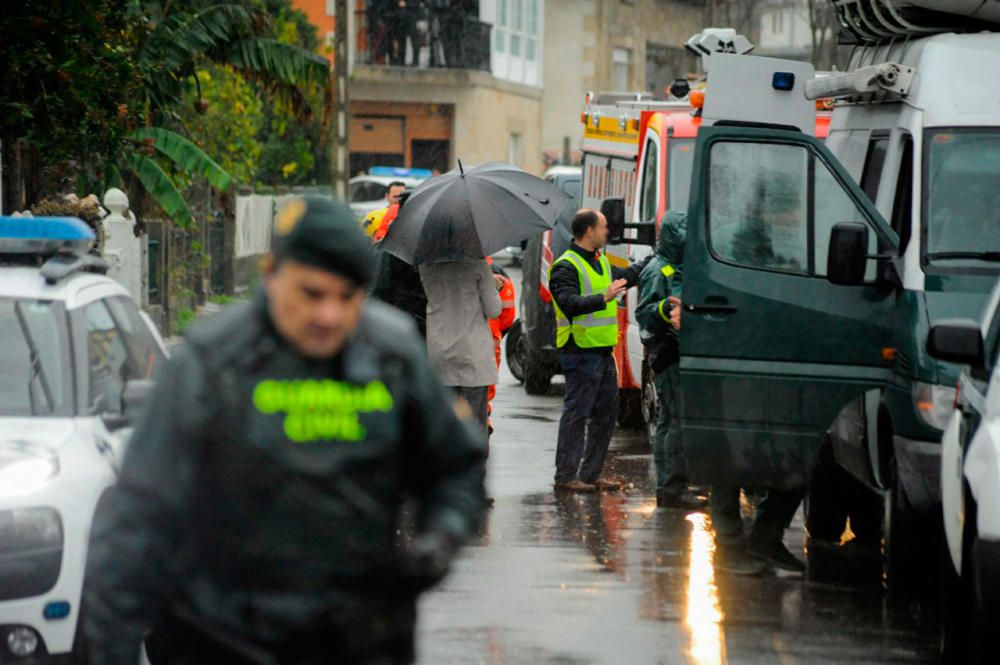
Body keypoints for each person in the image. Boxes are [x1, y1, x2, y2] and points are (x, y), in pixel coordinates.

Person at [85, 196, 488, 665]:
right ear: (272, 275)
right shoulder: (213, 362)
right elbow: (139, 516)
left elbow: (457, 467)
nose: (330, 316)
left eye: (347, 297)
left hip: (359, 637)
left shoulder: (392, 355)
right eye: (312, 294)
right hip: (229, 637)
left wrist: (439, 538)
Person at [549, 208, 649, 493]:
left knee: (606, 415)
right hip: (579, 351)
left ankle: (591, 474)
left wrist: (653, 261)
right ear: (589, 231)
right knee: (577, 414)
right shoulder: (565, 266)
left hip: (603, 352)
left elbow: (624, 277)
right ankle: (565, 476)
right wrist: (601, 298)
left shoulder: (600, 261)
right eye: (604, 227)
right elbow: (568, 302)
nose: (608, 232)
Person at [635, 210, 706, 510]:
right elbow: (644, 313)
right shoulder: (658, 269)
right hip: (668, 352)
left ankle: (672, 486)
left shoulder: (681, 266)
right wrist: (665, 310)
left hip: (681, 351)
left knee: (670, 420)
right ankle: (672, 489)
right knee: (674, 420)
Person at [419, 257, 502, 442]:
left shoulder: (426, 265)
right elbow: (494, 309)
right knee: (474, 424)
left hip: (440, 350)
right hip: (472, 352)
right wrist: (493, 287)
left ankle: (446, 467)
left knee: (445, 421)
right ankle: (473, 467)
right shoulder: (477, 264)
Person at [486, 257, 516, 433]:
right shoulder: (498, 276)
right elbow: (507, 317)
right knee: (481, 392)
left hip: (447, 345)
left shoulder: (440, 270)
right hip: (488, 345)